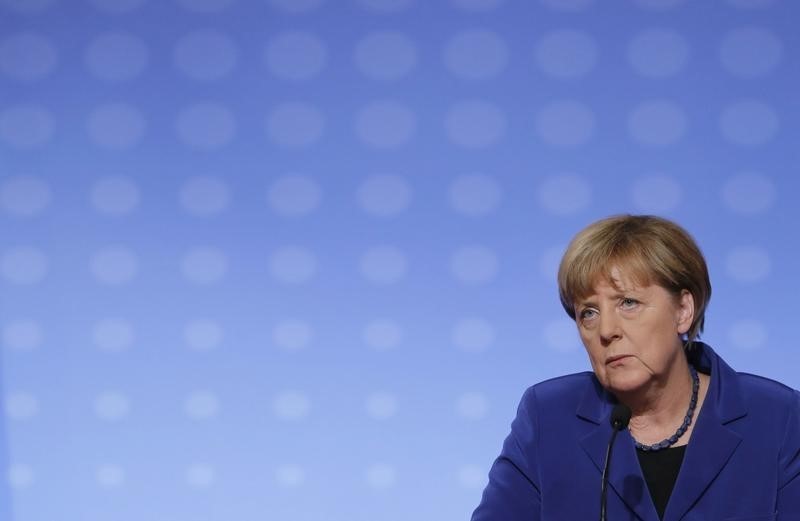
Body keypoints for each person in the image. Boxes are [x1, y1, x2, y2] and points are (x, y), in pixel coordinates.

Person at [471, 214, 800, 521]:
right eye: (588, 312)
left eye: (628, 303)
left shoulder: (778, 418)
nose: (606, 330)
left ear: (683, 310)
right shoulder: (547, 416)